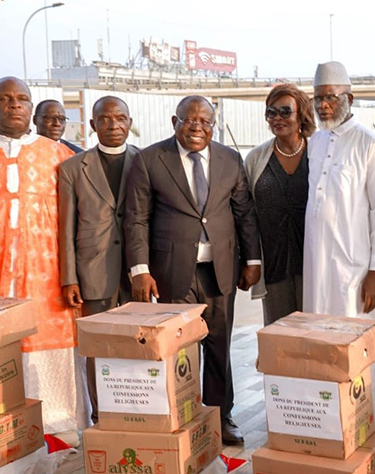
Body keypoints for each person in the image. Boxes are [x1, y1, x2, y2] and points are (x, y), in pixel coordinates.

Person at [124, 95, 261, 446]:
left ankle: (220, 416)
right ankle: (181, 412)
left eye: (205, 122)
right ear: (175, 121)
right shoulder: (150, 159)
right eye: (190, 120)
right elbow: (136, 218)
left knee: (219, 346)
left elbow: (244, 213)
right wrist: (139, 269)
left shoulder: (230, 159)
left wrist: (252, 260)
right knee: (179, 347)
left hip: (220, 269)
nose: (198, 127)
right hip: (171, 269)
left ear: (213, 126)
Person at [302, 62, 375, 424]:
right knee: (320, 343)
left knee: (360, 347)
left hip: (355, 270)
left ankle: (364, 422)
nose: (323, 105)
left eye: (331, 98)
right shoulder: (316, 141)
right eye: (318, 98)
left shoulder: (371, 145)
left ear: (349, 98)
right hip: (316, 267)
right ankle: (327, 422)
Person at [0, 77, 86, 443]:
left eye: (21, 99)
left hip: (48, 274)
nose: (14, 105)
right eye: (5, 99)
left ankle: (57, 429)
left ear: (30, 107)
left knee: (52, 349)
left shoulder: (57, 154)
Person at [58, 95, 138, 423]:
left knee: (136, 344)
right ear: (93, 125)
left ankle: (136, 411)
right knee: (98, 347)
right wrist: (69, 277)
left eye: (120, 118)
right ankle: (102, 417)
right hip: (93, 271)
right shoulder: (72, 168)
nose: (113, 125)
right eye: (105, 119)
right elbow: (65, 227)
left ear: (130, 123)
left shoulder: (146, 161)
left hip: (136, 271)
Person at [245, 84, 315, 325]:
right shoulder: (255, 158)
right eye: (271, 112)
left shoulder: (320, 152)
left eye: (285, 111)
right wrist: (251, 260)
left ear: (301, 114)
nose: (277, 118)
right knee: (280, 342)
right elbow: (247, 215)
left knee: (316, 338)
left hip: (315, 264)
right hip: (274, 265)